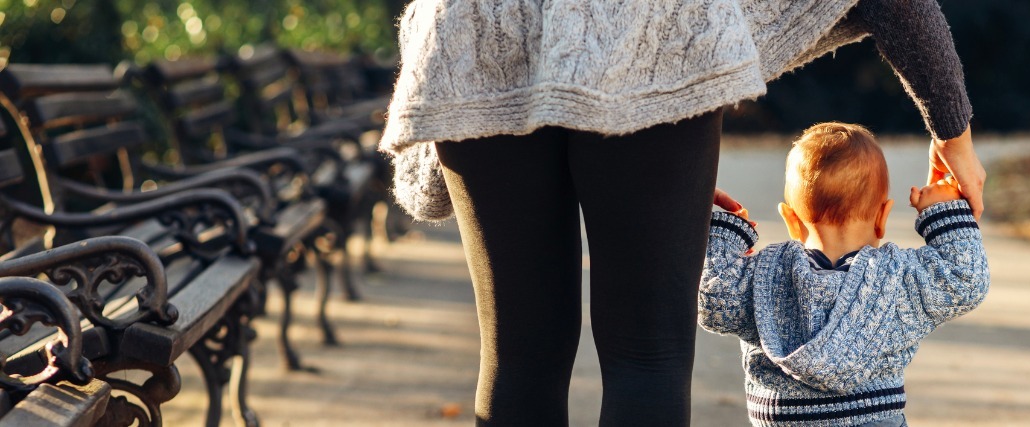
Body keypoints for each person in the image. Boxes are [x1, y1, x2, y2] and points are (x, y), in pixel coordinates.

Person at [380, 0, 985, 425]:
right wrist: (952, 133)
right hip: (652, 36)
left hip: (478, 32)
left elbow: (723, 294)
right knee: (647, 354)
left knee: (518, 353)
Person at [698, 123, 990, 426]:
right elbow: (964, 279)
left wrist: (726, 235)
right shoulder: (898, 279)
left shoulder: (763, 277)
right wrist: (945, 211)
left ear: (791, 220)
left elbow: (712, 301)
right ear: (882, 217)